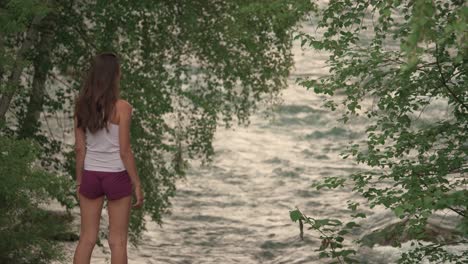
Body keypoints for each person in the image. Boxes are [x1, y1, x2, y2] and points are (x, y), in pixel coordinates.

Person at [73, 52, 144, 264]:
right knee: (118, 241)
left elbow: (79, 149)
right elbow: (125, 151)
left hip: (91, 175)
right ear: (115, 75)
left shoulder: (81, 106)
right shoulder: (122, 107)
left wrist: (79, 181)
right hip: (116, 176)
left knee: (86, 239)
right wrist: (137, 183)